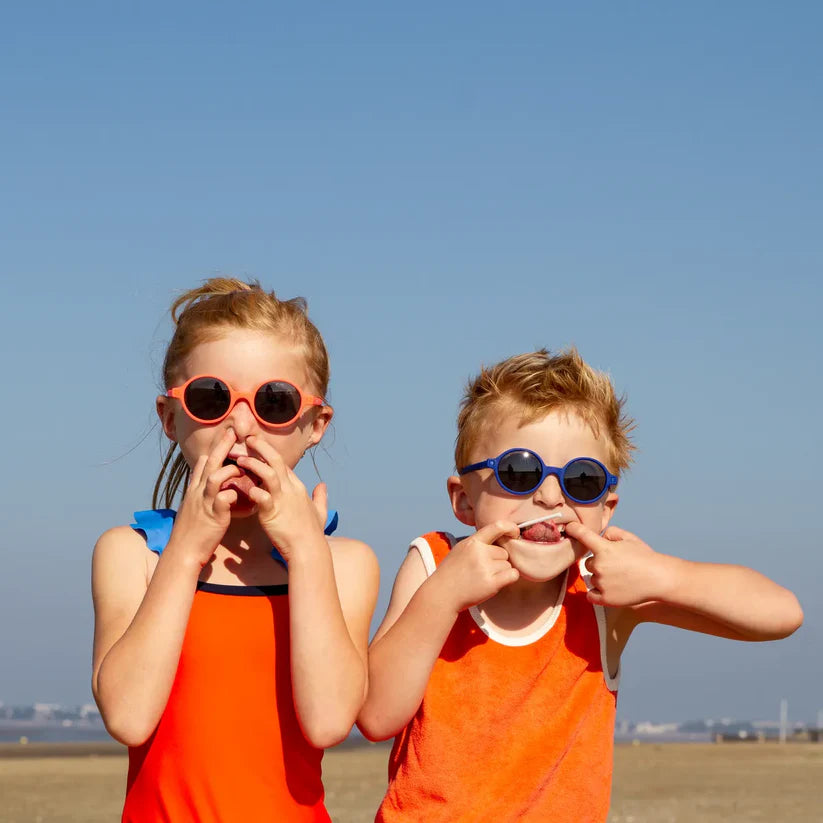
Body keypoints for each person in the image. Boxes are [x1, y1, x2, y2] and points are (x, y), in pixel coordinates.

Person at [359, 347, 803, 822]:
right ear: (463, 500)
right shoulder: (434, 565)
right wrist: (442, 597)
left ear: (606, 509)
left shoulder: (601, 592)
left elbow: (780, 614)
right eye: (519, 472)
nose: (550, 496)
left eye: (582, 480)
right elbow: (376, 716)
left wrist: (662, 575)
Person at [92, 277, 379, 822]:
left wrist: (306, 553)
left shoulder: (344, 564)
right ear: (170, 418)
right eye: (211, 398)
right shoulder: (134, 555)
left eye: (274, 402)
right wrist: (185, 552)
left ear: (315, 424)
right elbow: (128, 717)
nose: (242, 425)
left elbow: (328, 721)